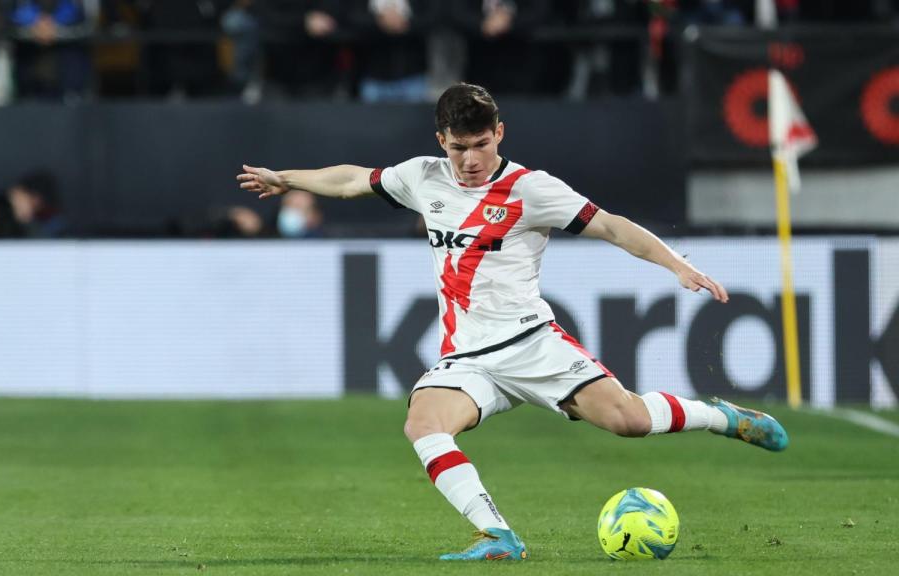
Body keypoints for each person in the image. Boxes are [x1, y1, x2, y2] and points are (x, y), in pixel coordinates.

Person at [236, 83, 789, 561]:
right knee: (423, 423)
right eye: (459, 148)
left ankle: (721, 417)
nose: (471, 159)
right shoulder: (423, 178)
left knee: (628, 421)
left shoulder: (531, 189)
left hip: (532, 344)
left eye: (481, 145)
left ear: (500, 133)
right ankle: (497, 533)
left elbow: (614, 227)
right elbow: (354, 178)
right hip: (468, 357)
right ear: (441, 142)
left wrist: (678, 264)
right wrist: (288, 179)